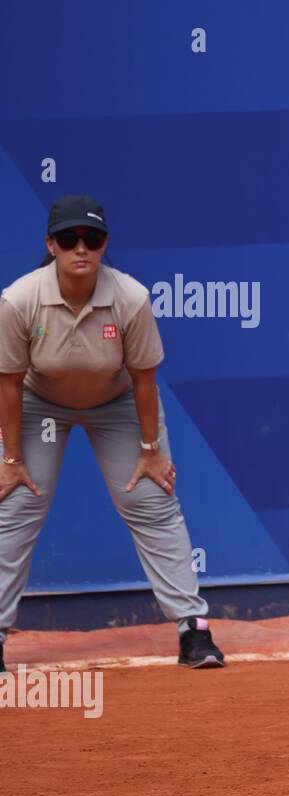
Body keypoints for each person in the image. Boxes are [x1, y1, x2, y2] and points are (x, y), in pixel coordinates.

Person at [0, 195, 224, 672]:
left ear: (104, 245)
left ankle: (193, 630)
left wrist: (150, 451)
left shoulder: (131, 298)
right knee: (16, 505)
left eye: (92, 238)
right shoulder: (19, 299)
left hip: (117, 403)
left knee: (152, 497)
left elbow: (144, 379)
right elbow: (9, 383)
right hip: (41, 404)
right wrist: (12, 459)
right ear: (51, 245)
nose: (81, 248)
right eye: (69, 239)